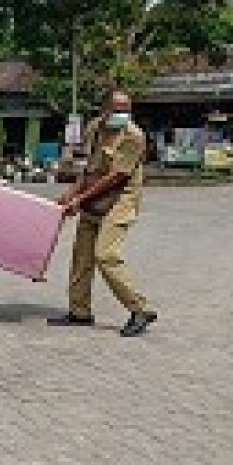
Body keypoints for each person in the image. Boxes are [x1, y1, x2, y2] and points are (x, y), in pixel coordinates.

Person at [50, 90, 158, 338]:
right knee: (82, 256)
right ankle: (79, 311)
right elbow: (89, 168)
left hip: (120, 199)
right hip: (95, 197)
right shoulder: (95, 128)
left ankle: (140, 309)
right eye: (117, 109)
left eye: (126, 110)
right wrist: (71, 194)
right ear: (105, 109)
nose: (122, 115)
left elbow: (116, 176)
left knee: (105, 254)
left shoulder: (133, 136)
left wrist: (79, 199)